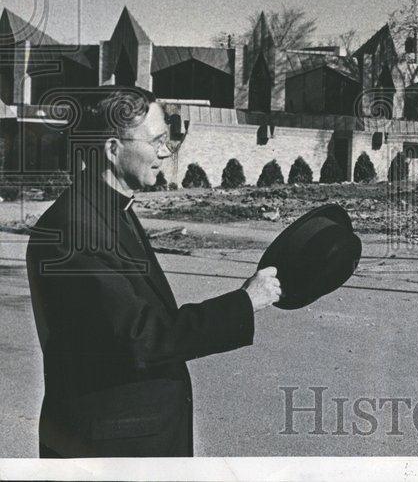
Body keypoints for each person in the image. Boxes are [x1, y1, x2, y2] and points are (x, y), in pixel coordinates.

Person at [26, 87, 281, 457]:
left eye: (168, 139)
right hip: (108, 452)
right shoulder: (74, 232)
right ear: (112, 149)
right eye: (157, 140)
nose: (166, 151)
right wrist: (244, 302)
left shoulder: (110, 210)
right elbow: (142, 336)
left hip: (129, 440)